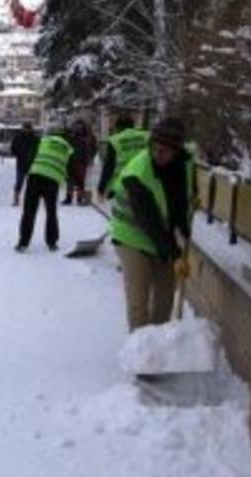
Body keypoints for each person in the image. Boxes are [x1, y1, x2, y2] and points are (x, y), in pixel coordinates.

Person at [109, 117, 194, 333]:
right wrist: (174, 254)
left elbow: (179, 199)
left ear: (177, 151)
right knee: (139, 299)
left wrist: (184, 225)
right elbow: (149, 221)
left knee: (166, 296)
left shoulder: (186, 164)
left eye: (165, 151)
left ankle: (160, 347)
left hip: (162, 235)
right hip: (131, 238)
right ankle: (141, 354)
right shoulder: (137, 173)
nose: (158, 154)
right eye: (154, 148)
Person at [15, 126, 75, 252]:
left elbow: (31, 156)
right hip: (52, 180)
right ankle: (52, 243)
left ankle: (23, 243)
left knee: (29, 211)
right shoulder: (68, 148)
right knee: (51, 212)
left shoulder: (44, 141)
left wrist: (29, 170)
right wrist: (76, 185)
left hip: (35, 177)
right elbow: (71, 169)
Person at [96, 115, 149, 201]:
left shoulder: (115, 140)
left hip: (122, 185)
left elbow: (109, 166)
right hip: (145, 182)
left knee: (122, 213)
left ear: (118, 127)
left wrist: (101, 188)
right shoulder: (146, 136)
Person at [62, 119, 97, 205]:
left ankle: (74, 198)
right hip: (77, 160)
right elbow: (94, 148)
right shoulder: (87, 137)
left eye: (79, 127)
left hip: (78, 160)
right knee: (76, 180)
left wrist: (90, 157)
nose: (78, 129)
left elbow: (94, 148)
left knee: (76, 180)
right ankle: (75, 198)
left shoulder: (74, 137)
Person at [10, 122, 40, 207]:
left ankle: (30, 200)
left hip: (33, 164)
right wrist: (19, 153)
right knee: (19, 182)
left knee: (32, 184)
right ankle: (16, 199)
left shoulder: (35, 139)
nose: (26, 130)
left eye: (28, 128)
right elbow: (13, 149)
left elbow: (39, 149)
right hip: (21, 164)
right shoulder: (18, 138)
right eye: (25, 128)